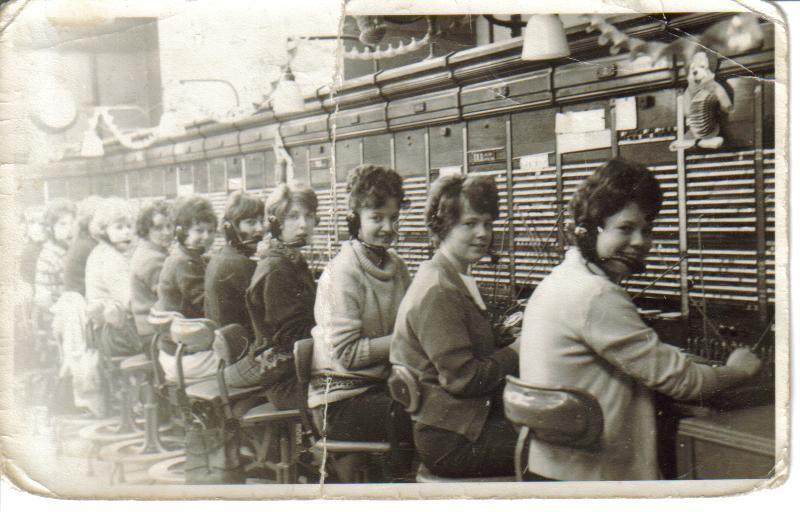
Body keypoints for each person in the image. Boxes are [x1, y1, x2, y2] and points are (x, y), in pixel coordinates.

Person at [519, 158, 762, 481]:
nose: (640, 242)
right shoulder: (594, 294)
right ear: (589, 230)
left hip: (556, 468)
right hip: (594, 480)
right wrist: (738, 369)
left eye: (646, 230)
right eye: (625, 228)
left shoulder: (560, 280)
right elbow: (686, 383)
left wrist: (673, 360)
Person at [391, 173, 519, 479]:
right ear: (444, 225)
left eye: (488, 223)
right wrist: (517, 351)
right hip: (453, 438)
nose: (483, 233)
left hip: (461, 423)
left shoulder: (450, 275)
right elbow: (463, 378)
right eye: (470, 223)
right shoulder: (439, 289)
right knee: (557, 445)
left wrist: (501, 335)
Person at [308, 164, 413, 476]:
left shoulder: (397, 265)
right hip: (340, 401)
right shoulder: (343, 271)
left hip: (381, 388)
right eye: (376, 218)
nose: (387, 227)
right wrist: (407, 341)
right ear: (355, 218)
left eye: (393, 217)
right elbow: (347, 354)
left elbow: (411, 323)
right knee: (428, 414)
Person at [225, 182, 318, 411]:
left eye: (309, 216)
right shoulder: (277, 267)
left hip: (298, 369)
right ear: (276, 223)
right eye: (293, 217)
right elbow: (292, 337)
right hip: (287, 379)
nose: (303, 225)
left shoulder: (290, 259)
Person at [155, 195, 219, 383]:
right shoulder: (185, 263)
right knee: (247, 359)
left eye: (211, 231)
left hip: (174, 352)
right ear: (181, 232)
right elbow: (208, 306)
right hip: (184, 358)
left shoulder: (183, 257)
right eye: (199, 231)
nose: (206, 237)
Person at [204, 191, 264, 339]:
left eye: (261, 221)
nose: (260, 229)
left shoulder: (220, 255)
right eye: (251, 222)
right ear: (230, 227)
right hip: (241, 352)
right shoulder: (241, 264)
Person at [84, 197, 140, 357]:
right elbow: (128, 301)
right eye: (119, 227)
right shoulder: (111, 258)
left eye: (129, 226)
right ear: (103, 230)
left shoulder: (101, 252)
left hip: (103, 331)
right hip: (116, 335)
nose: (127, 231)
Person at [130, 200, 173, 352]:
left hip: (152, 331)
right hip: (155, 337)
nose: (167, 232)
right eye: (158, 228)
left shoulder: (150, 251)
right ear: (145, 230)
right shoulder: (152, 259)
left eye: (169, 226)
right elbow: (170, 297)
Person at [34, 198, 76, 313]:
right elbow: (42, 296)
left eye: (73, 223)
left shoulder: (71, 250)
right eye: (63, 224)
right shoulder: (49, 254)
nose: (70, 229)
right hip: (58, 312)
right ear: (51, 228)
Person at [63, 196, 102, 297]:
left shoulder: (84, 240)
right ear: (88, 222)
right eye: (100, 221)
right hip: (81, 302)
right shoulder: (88, 246)